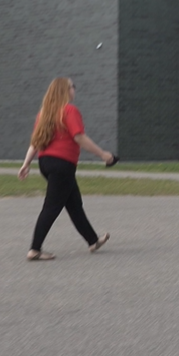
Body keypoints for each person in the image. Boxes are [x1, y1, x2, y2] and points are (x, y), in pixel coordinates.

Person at [16, 77, 116, 261]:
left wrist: (26, 163)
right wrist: (103, 154)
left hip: (46, 164)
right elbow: (79, 137)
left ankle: (93, 241)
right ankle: (35, 249)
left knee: (74, 204)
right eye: (72, 86)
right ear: (64, 90)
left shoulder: (44, 114)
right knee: (52, 207)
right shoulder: (69, 110)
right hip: (62, 165)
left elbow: (35, 143)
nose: (74, 89)